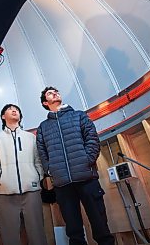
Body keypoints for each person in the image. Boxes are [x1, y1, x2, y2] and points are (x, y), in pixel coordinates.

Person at [37, 86, 115, 245]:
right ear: (45, 102)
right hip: (62, 184)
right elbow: (42, 152)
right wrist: (51, 170)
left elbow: (92, 139)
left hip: (86, 178)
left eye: (56, 91)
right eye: (50, 93)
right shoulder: (43, 127)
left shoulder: (79, 116)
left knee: (100, 225)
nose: (55, 93)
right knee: (74, 232)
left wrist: (87, 160)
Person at [0, 104, 47, 245]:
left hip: (31, 192)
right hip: (6, 194)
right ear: (3, 116)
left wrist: (37, 176)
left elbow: (38, 160)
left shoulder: (30, 137)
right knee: (9, 238)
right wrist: (2, 179)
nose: (14, 110)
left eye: (17, 109)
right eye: (10, 109)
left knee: (37, 235)